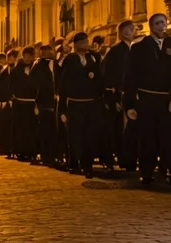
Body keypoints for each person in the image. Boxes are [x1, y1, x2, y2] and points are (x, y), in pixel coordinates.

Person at [125, 13, 171, 186]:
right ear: (151, 26)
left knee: (170, 137)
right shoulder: (140, 47)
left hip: (168, 98)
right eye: (158, 23)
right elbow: (131, 76)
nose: (162, 26)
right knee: (148, 137)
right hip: (147, 98)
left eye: (164, 22)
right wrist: (130, 103)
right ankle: (146, 172)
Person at [60, 32, 104, 178]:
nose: (86, 44)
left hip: (91, 103)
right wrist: (62, 107)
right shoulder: (70, 59)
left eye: (87, 42)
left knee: (89, 135)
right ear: (76, 44)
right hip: (75, 103)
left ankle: (88, 165)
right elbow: (64, 83)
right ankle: (73, 163)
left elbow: (99, 79)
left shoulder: (93, 58)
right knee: (75, 135)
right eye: (83, 42)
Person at [102, 22, 136, 171]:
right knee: (119, 129)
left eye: (131, 29)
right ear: (120, 32)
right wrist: (114, 96)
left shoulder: (136, 48)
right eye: (126, 30)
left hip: (134, 94)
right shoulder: (115, 50)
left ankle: (132, 158)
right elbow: (108, 74)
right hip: (119, 95)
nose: (129, 32)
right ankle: (122, 159)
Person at [32, 43, 59, 166]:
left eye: (48, 50)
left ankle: (55, 154)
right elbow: (34, 82)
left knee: (55, 131)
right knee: (44, 130)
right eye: (44, 51)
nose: (46, 53)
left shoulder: (57, 63)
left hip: (56, 102)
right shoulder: (38, 65)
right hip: (43, 101)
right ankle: (45, 155)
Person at [10, 46, 36, 162]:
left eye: (31, 56)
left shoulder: (36, 69)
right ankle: (21, 151)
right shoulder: (16, 70)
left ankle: (32, 151)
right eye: (27, 56)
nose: (28, 58)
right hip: (20, 103)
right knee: (21, 128)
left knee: (32, 128)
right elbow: (11, 85)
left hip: (32, 103)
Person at [0, 52, 15, 156]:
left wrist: (9, 99)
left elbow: (9, 86)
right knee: (1, 125)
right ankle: (3, 146)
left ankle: (7, 147)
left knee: (7, 126)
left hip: (7, 101)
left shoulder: (9, 71)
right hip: (1, 102)